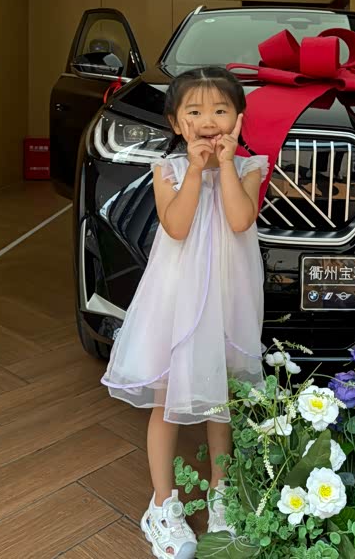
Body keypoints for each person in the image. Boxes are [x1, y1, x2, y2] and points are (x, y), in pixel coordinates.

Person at [101, 67, 268, 559]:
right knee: (166, 398)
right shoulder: (169, 170)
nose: (209, 120)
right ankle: (161, 504)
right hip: (176, 301)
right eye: (195, 111)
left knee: (221, 402)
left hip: (227, 299)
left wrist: (227, 166)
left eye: (221, 110)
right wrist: (195, 171)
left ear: (239, 118)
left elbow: (240, 219)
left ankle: (221, 497)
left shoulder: (250, 167)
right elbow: (176, 226)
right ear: (177, 123)